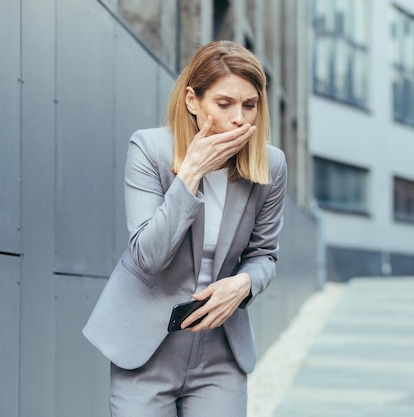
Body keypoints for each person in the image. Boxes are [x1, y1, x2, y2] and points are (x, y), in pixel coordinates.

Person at [82, 40, 287, 417]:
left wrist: (244, 284)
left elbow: (264, 255)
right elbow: (147, 256)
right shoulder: (149, 150)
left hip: (220, 352)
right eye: (224, 104)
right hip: (146, 347)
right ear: (193, 101)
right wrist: (190, 173)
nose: (240, 119)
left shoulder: (270, 166)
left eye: (250, 105)